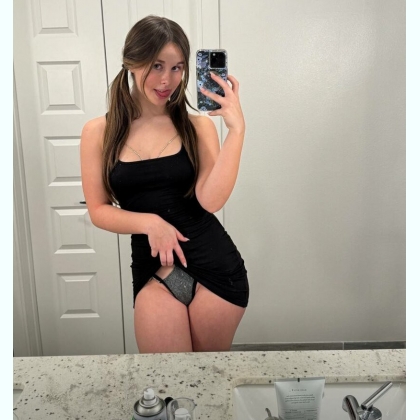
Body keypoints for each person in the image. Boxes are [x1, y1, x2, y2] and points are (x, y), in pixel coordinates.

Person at [80, 15, 249, 353]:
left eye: (177, 68)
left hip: (215, 269)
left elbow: (211, 201)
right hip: (154, 269)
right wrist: (150, 223)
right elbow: (98, 210)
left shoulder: (197, 127)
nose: (167, 80)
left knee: (207, 377)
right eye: (156, 65)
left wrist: (236, 131)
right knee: (168, 380)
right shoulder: (98, 132)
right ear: (132, 62)